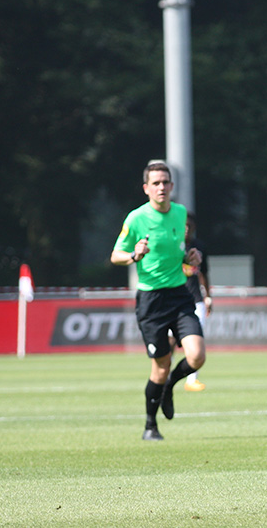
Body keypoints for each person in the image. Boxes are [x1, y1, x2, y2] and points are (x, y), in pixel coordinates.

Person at [110, 161, 205, 441]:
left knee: (197, 356)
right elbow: (116, 255)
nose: (161, 187)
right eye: (156, 183)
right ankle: (150, 426)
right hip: (151, 300)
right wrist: (134, 255)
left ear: (172, 186)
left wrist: (190, 259)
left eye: (165, 182)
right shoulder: (136, 218)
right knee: (161, 366)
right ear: (146, 189)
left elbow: (181, 252)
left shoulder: (179, 214)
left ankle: (169, 388)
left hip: (179, 294)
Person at [182, 211, 212, 392]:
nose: (186, 230)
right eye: (183, 226)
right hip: (175, 301)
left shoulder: (199, 246)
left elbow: (204, 274)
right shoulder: (173, 247)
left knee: (197, 339)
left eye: (189, 226)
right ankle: (165, 377)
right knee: (169, 342)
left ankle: (192, 379)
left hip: (196, 300)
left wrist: (208, 297)